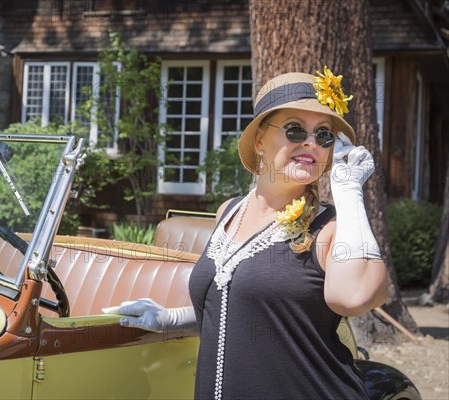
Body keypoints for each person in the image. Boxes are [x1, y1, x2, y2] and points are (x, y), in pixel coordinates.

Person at [103, 68, 388, 399]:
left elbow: (355, 297)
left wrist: (349, 189)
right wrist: (172, 319)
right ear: (259, 140)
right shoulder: (229, 212)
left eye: (323, 135)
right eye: (295, 129)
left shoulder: (331, 226)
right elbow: (242, 309)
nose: (311, 142)